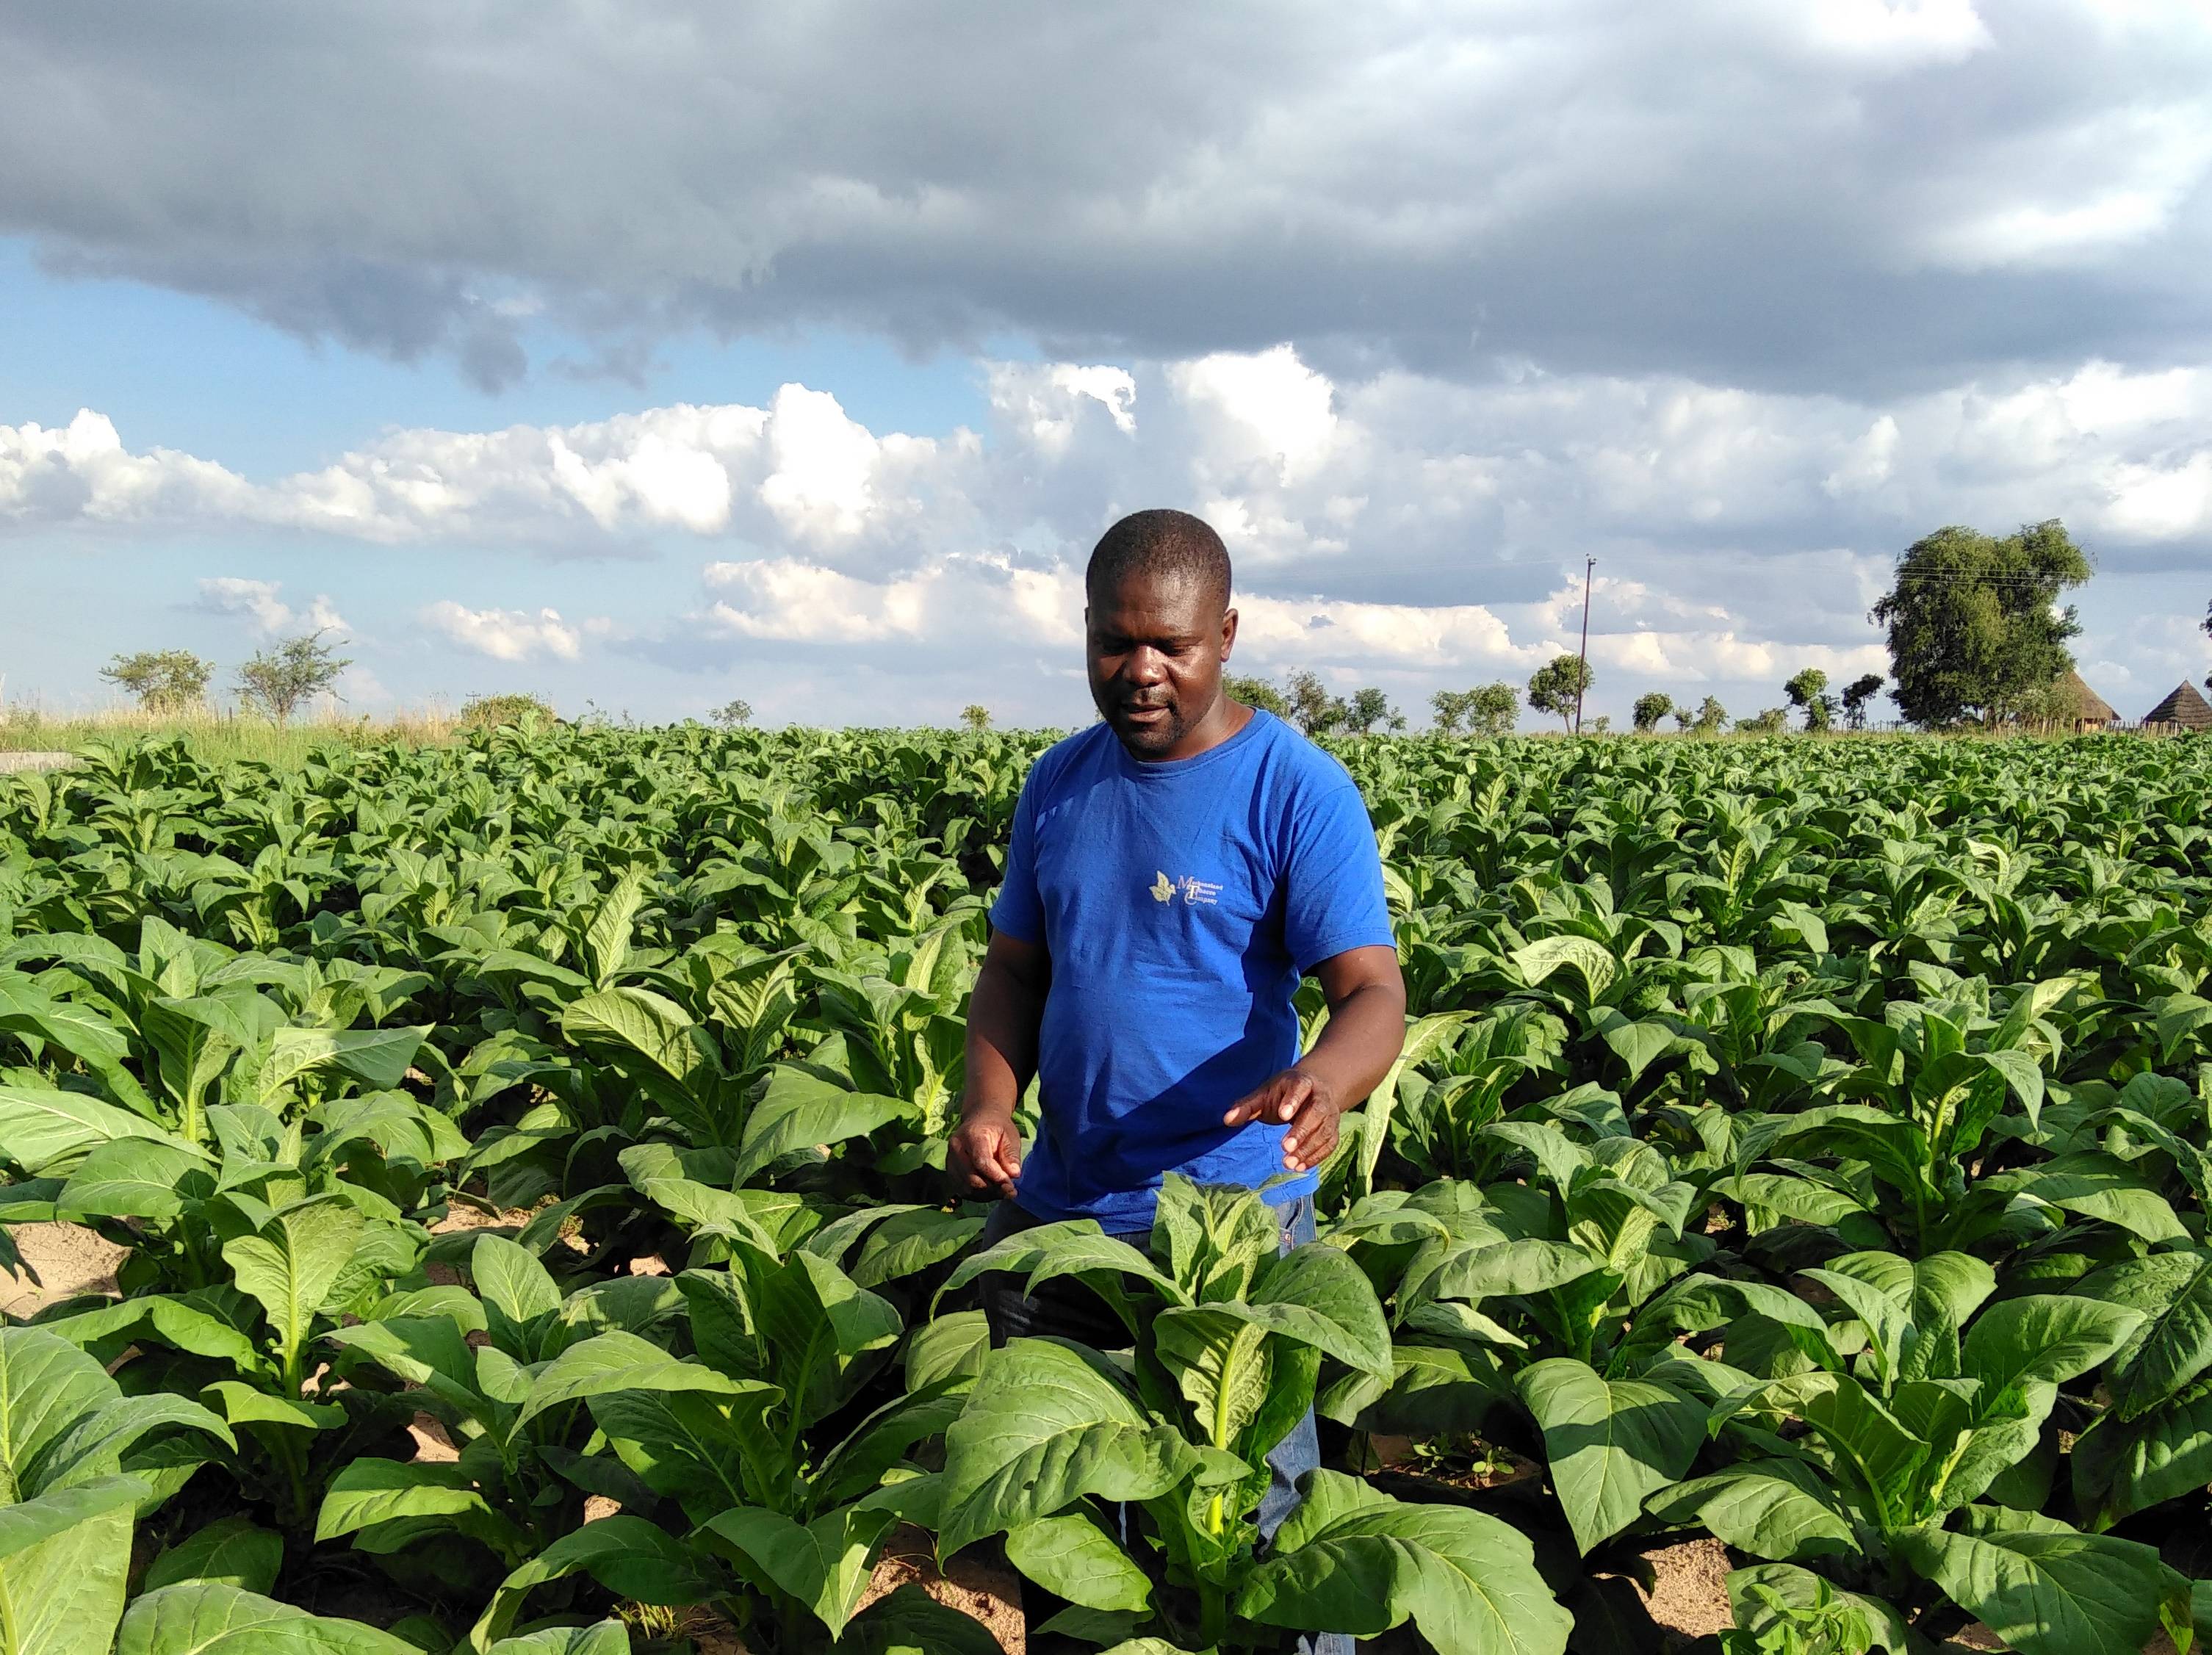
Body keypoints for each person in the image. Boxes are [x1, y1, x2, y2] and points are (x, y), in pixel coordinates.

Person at [949, 508, 1405, 1652]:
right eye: (1115, 642)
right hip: (1063, 1218)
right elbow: (1014, 969)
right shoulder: (1057, 783)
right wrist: (989, 1102)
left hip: (1232, 1234)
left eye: (1173, 644)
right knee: (1061, 1531)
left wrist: (1328, 1081)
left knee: (1262, 1530)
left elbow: (1372, 993)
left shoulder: (1294, 789)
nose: (1141, 670)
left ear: (1228, 634)